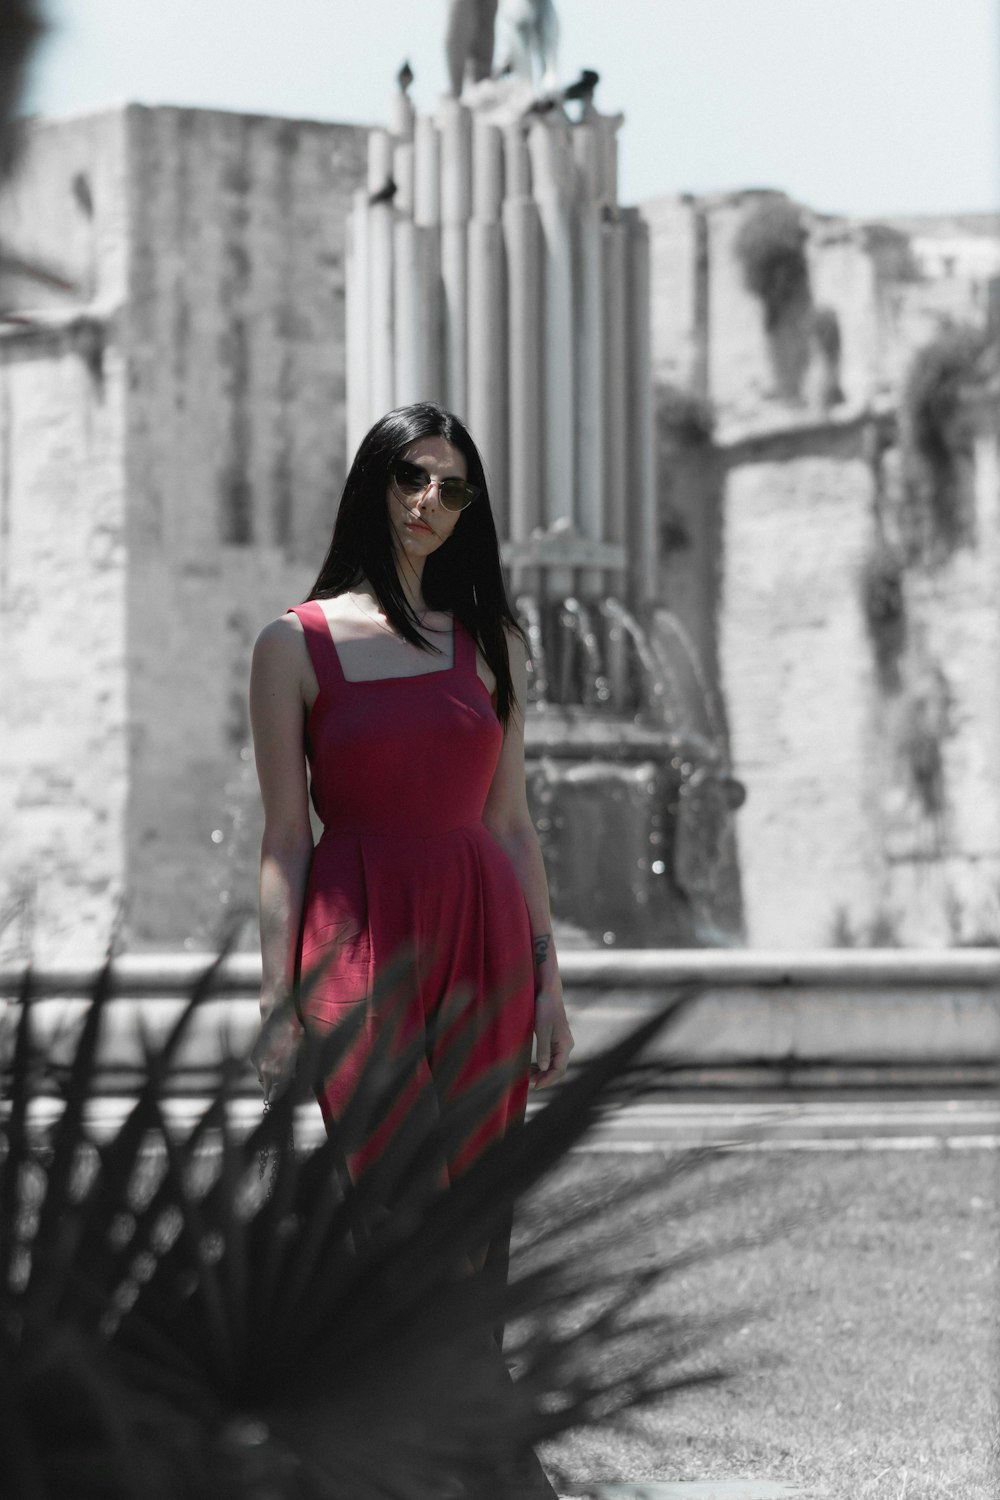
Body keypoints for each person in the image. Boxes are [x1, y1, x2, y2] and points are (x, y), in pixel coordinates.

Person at [249, 399, 574, 1184]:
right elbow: (286, 838)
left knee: (469, 1217)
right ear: (374, 482)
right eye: (412, 477)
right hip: (352, 936)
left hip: (483, 932)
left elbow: (511, 825)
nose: (430, 501)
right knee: (398, 1197)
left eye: (454, 490)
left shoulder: (495, 643)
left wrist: (549, 981)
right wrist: (275, 999)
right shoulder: (292, 645)